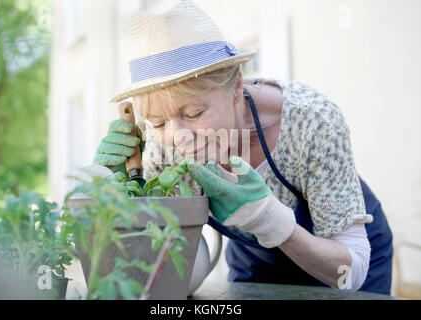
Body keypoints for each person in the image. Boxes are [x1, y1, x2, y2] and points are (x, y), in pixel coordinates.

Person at [93, 0, 393, 294]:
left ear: (237, 86)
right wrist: (117, 192)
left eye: (195, 113)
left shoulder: (312, 122)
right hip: (256, 262)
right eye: (158, 122)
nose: (179, 137)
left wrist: (271, 220)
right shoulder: (160, 150)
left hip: (343, 258)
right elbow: (155, 260)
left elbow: (350, 273)